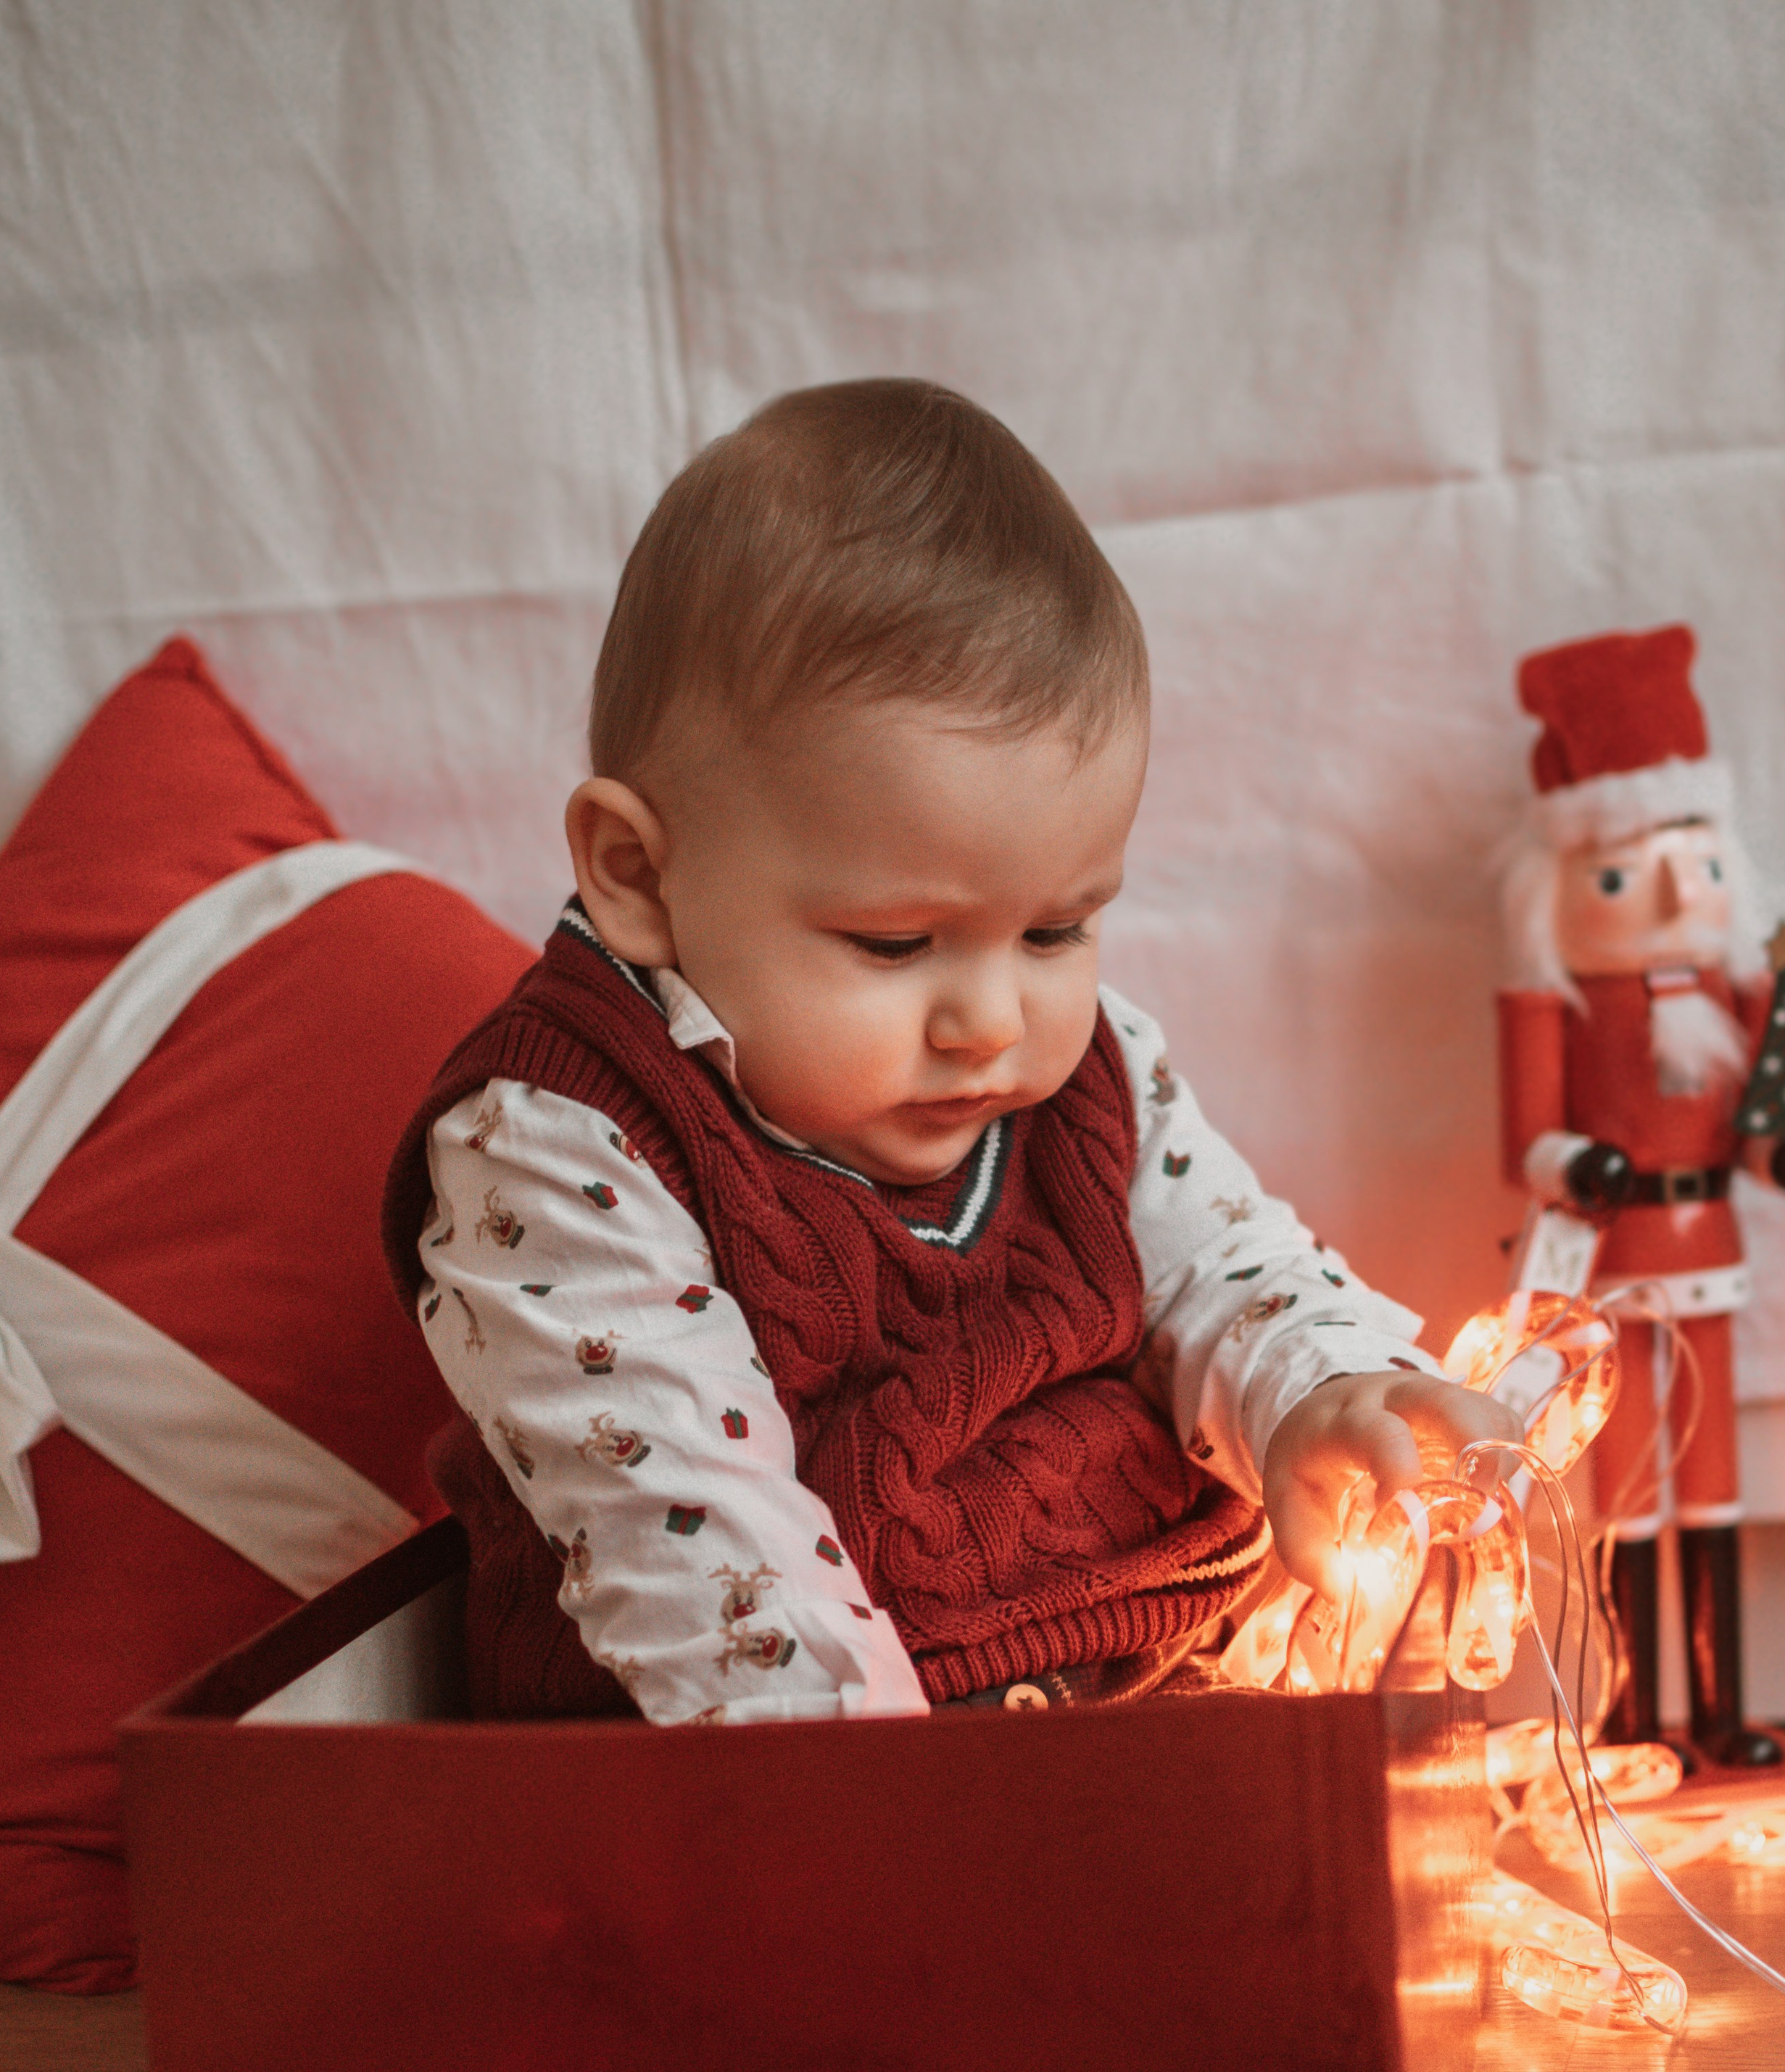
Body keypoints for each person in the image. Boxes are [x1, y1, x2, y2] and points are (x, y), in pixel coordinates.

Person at [384, 380, 1512, 1725]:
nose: (993, 1022)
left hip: (1140, 1654)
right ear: (638, 875)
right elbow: (709, 1570)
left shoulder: (1080, 1073)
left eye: (1055, 928)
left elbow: (1227, 1266)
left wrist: (1322, 1395)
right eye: (894, 944)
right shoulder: (558, 1145)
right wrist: (925, 1832)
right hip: (816, 1762)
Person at [1498, 623, 1785, 1768]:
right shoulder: (1557, 1002)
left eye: (1691, 861)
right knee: (1627, 1473)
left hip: (1711, 1253)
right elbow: (1527, 1137)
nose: (1664, 896)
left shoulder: (1741, 995)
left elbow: (1769, 1121)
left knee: (1715, 1475)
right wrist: (1575, 1167)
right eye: (1617, 875)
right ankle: (1639, 1714)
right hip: (1613, 1260)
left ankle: (1727, 1707)